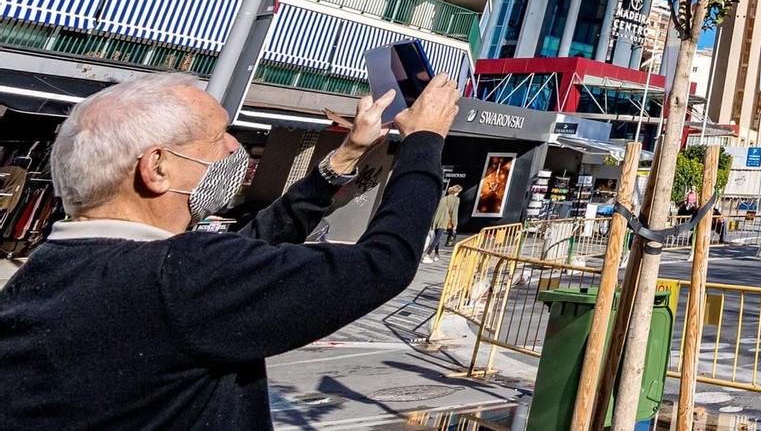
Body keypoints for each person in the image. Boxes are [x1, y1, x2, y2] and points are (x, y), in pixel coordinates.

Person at [0, 70, 458, 429]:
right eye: (220, 136)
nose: (237, 148)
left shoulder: (46, 271)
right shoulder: (179, 277)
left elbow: (249, 246)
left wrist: (340, 161)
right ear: (156, 168)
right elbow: (382, 264)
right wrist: (424, 141)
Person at [428, 183, 460, 262]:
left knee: (437, 238)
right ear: (457, 191)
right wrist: (455, 224)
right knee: (437, 239)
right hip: (444, 221)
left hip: (436, 219)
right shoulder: (456, 200)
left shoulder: (443, 198)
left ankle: (436, 254)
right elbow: (454, 213)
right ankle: (427, 255)